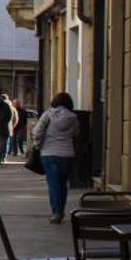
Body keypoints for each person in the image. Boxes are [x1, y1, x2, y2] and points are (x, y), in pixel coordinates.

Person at [31, 92, 81, 222]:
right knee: (63, 184)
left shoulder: (48, 114)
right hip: (66, 154)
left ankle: (56, 212)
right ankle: (61, 210)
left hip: (49, 153)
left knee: (53, 184)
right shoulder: (73, 117)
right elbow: (76, 133)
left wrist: (37, 145)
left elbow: (37, 131)